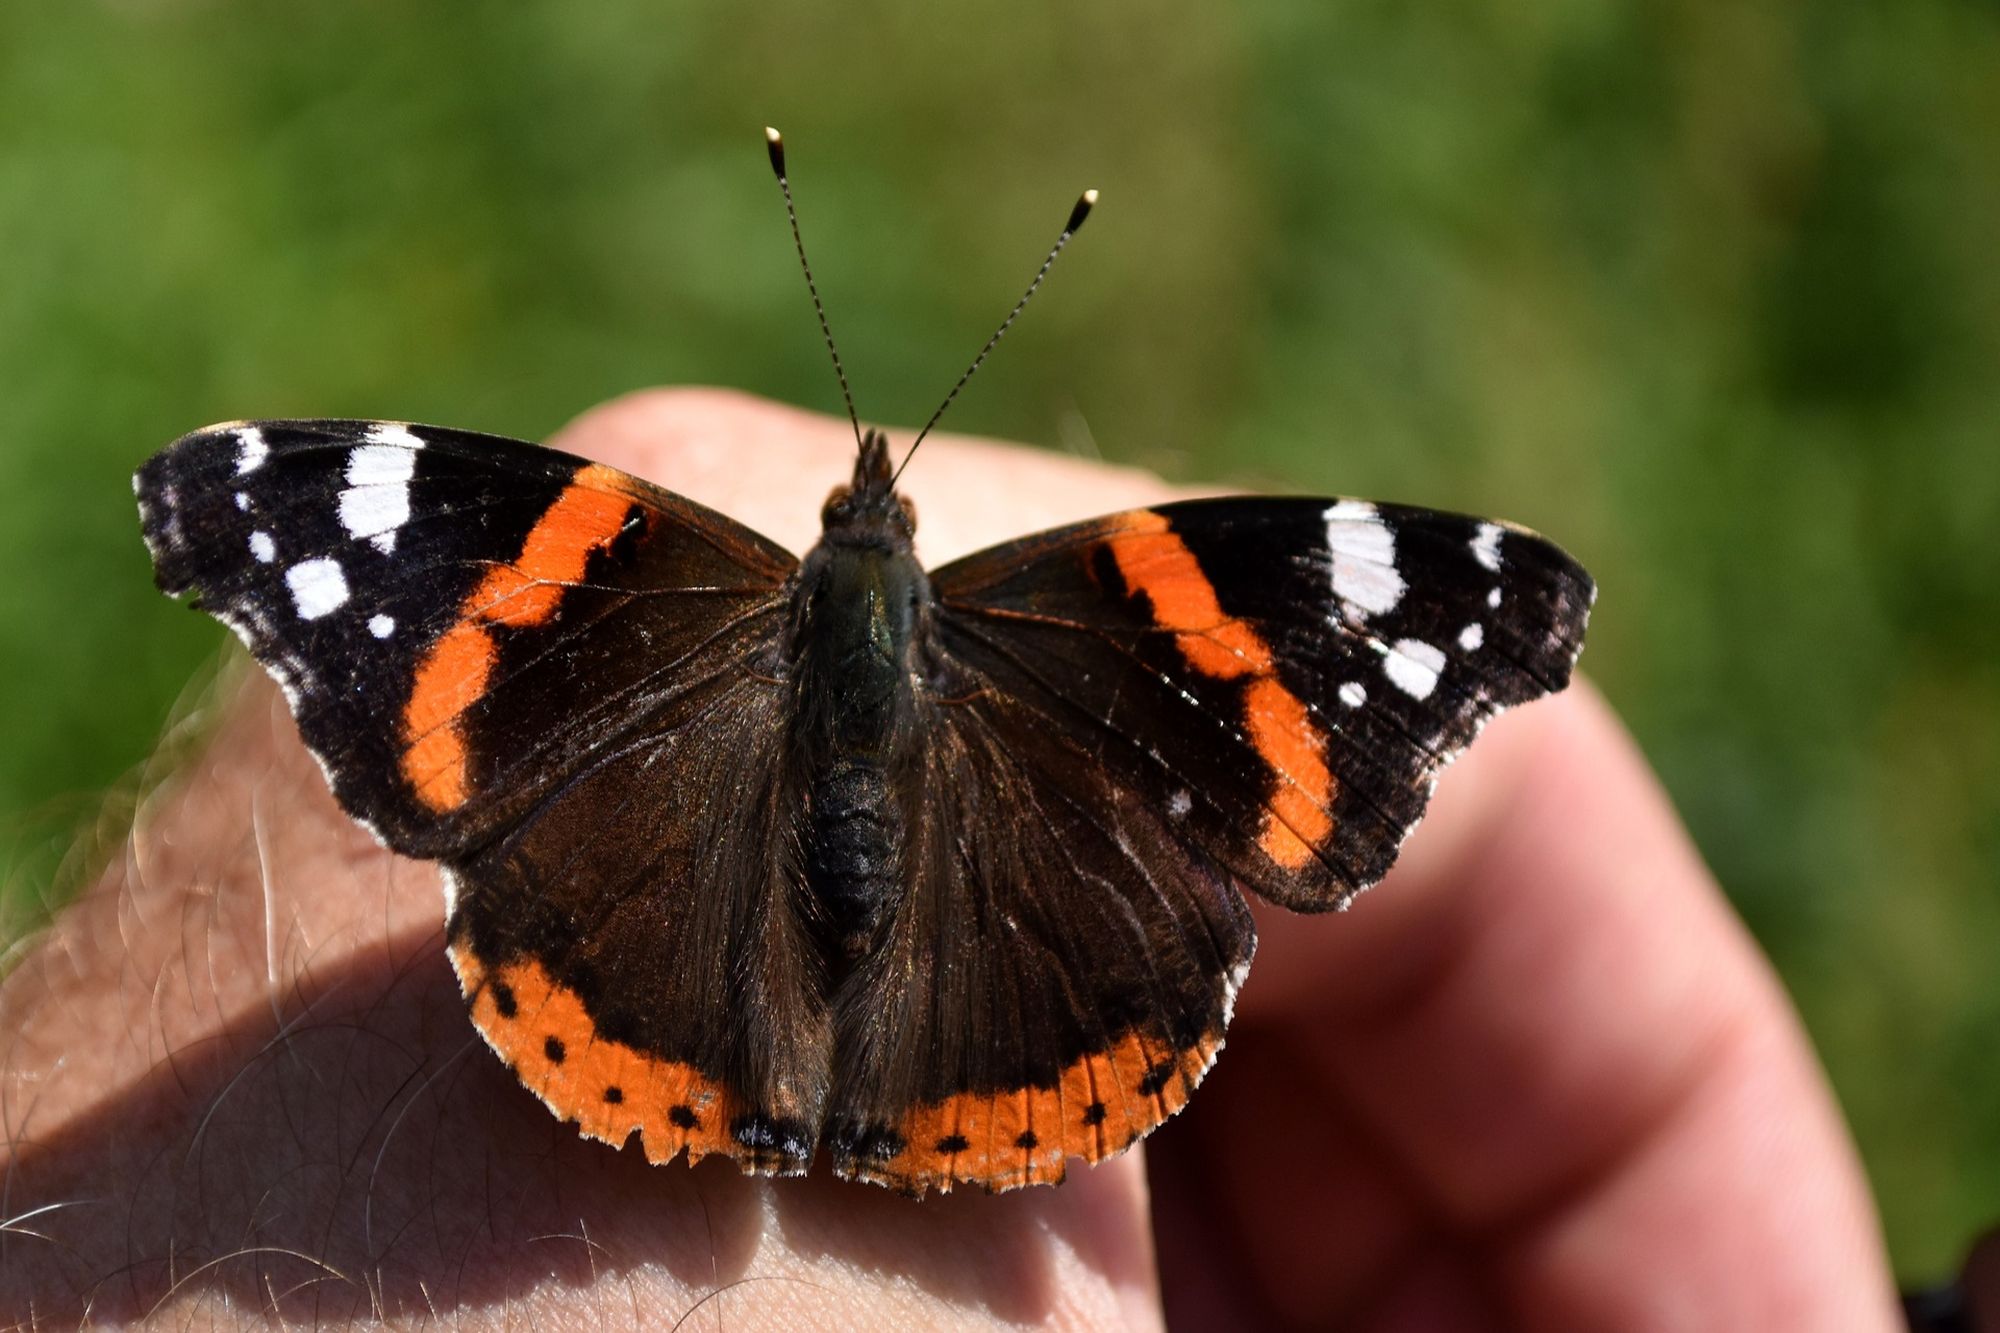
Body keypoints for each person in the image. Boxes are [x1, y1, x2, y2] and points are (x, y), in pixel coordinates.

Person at [0, 390, 1902, 1329]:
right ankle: (927, 1094)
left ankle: (703, 1065)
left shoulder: (600, 556)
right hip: (1021, 923)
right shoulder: (1140, 605)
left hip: (678, 879)